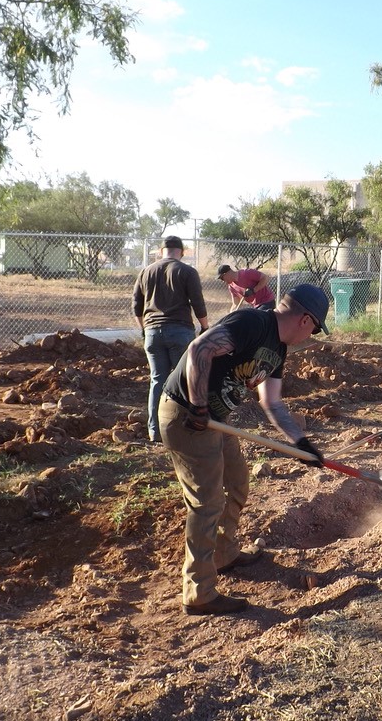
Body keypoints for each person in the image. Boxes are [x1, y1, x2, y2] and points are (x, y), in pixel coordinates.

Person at [158, 284, 329, 616]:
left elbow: (272, 403)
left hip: (215, 420)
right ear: (306, 320)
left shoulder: (278, 349)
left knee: (237, 482)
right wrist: (197, 405)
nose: (310, 337)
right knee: (207, 503)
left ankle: (223, 554)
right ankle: (198, 592)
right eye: (314, 329)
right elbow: (199, 349)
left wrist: (302, 444)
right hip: (187, 417)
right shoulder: (253, 323)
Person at [133, 236, 210, 444]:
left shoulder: (146, 272)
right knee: (184, 381)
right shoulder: (187, 271)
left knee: (157, 380)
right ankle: (181, 432)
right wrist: (205, 327)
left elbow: (136, 306)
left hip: (152, 332)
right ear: (181, 252)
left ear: (161, 251)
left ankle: (155, 432)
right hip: (180, 331)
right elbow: (198, 303)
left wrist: (144, 329)